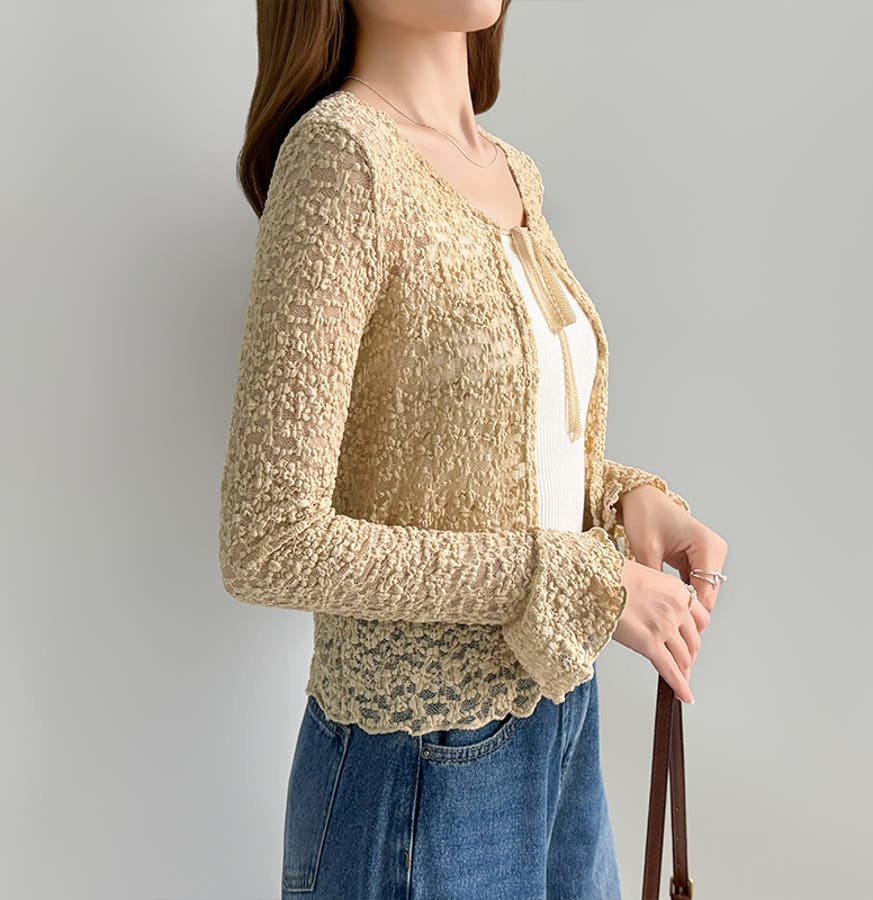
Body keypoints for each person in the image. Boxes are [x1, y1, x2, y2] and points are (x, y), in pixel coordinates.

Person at [218, 1, 729, 897]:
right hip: (418, 763)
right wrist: (577, 580)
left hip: (559, 721)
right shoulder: (342, 158)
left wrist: (621, 500)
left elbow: (474, 455)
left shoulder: (512, 171)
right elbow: (269, 539)